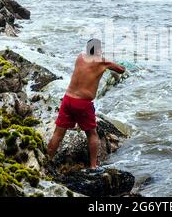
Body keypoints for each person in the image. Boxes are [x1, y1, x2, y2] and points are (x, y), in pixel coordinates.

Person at [47, 39, 125, 172]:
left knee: (58, 134)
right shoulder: (102, 62)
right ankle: (93, 166)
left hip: (67, 99)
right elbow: (121, 70)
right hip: (82, 104)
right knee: (92, 134)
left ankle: (47, 161)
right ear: (98, 50)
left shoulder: (80, 57)